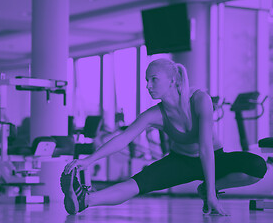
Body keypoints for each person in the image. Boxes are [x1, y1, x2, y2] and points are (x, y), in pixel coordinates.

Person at [60, 58, 267, 216]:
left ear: (173, 81)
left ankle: (206, 189)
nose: (148, 85)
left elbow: (205, 148)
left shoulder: (199, 99)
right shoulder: (154, 114)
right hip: (180, 162)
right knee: (138, 183)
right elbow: (124, 138)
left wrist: (211, 194)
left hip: (214, 157)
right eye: (147, 80)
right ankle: (86, 199)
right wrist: (89, 160)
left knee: (257, 166)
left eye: (154, 79)